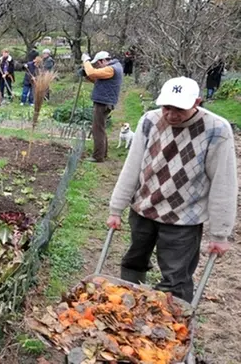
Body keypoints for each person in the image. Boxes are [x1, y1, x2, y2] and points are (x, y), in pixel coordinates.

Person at [106, 77, 237, 302]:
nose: (171, 115)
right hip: (143, 209)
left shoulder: (217, 130)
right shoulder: (149, 120)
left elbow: (223, 183)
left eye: (180, 109)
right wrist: (115, 208)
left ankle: (170, 325)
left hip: (184, 219)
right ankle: (128, 305)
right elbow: (132, 166)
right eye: (167, 107)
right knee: (133, 261)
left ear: (197, 102)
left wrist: (220, 233)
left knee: (175, 278)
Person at [80, 50, 123, 163]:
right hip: (105, 101)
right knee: (101, 128)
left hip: (103, 102)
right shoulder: (115, 67)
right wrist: (87, 75)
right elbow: (97, 80)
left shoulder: (111, 69)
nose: (98, 67)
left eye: (98, 64)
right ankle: (103, 154)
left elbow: (93, 73)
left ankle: (98, 156)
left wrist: (86, 61)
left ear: (103, 60)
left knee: (97, 129)